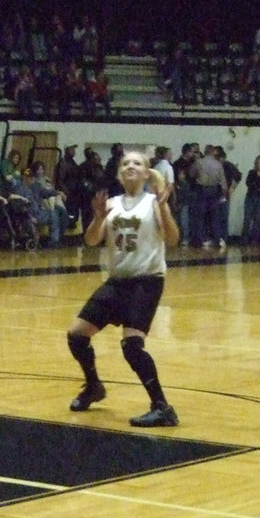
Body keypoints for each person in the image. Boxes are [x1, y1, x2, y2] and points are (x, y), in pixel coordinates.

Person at [66, 150, 180, 427]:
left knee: (132, 345)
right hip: (117, 281)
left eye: (137, 163)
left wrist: (164, 207)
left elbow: (174, 239)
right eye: (125, 163)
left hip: (146, 280)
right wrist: (96, 216)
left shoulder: (154, 202)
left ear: (145, 173)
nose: (130, 166)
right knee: (77, 335)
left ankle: (162, 407)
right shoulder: (112, 203)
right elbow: (92, 240)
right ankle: (93, 386)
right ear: (119, 173)